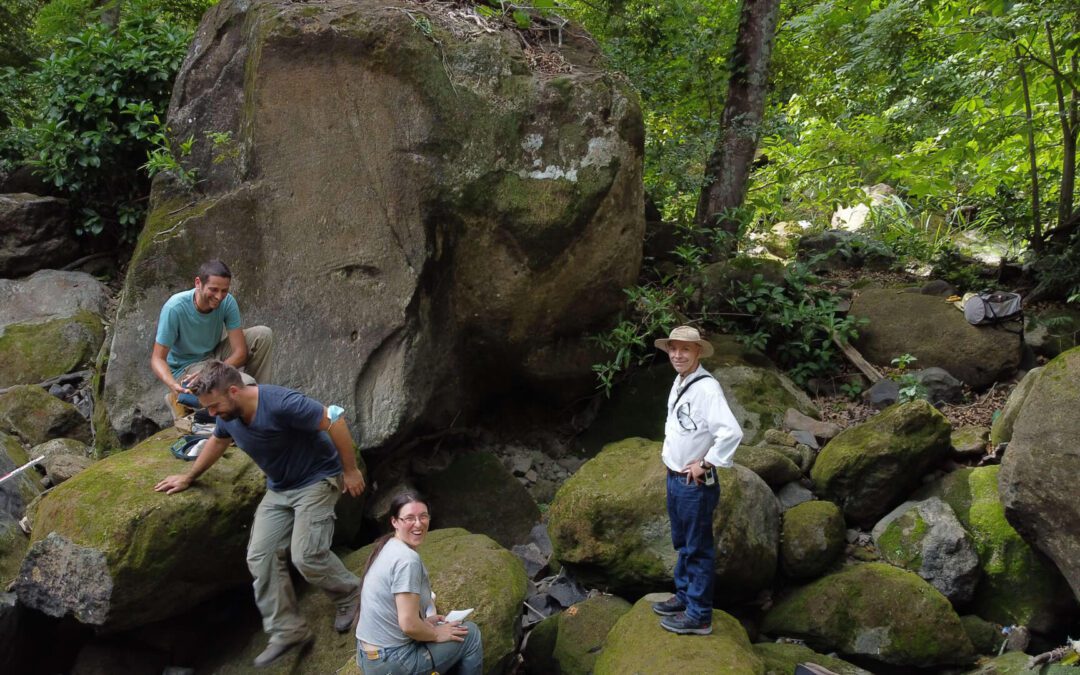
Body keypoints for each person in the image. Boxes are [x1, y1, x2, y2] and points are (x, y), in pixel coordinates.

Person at [154, 361, 366, 668]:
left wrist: (351, 470)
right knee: (259, 555)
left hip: (317, 479)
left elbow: (335, 418)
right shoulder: (227, 412)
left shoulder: (281, 403)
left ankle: (351, 596)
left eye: (214, 406)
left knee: (306, 555)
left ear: (235, 390)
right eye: (207, 409)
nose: (211, 414)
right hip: (280, 488)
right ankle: (287, 630)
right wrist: (188, 477)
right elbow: (217, 440)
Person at [650, 325, 743, 635]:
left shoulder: (707, 388)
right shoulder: (680, 381)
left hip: (695, 484)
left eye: (685, 349)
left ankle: (699, 615)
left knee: (698, 548)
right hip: (675, 477)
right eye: (673, 348)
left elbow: (731, 432)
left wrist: (705, 462)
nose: (677, 354)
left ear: (697, 352)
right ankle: (685, 596)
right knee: (684, 544)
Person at [355, 492, 483, 675]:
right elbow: (408, 624)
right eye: (409, 518)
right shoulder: (407, 560)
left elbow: (399, 612)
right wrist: (437, 634)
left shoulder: (388, 546)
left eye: (423, 516)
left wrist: (424, 622)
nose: (418, 523)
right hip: (391, 661)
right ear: (394, 522)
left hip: (369, 655)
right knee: (470, 635)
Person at [151, 259, 273, 418]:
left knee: (263, 335)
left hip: (213, 357)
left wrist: (213, 370)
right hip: (187, 369)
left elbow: (240, 352)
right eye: (213, 289)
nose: (219, 296)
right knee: (245, 383)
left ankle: (257, 406)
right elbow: (157, 359)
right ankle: (181, 397)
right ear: (198, 283)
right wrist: (173, 385)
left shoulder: (227, 302)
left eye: (224, 290)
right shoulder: (175, 308)